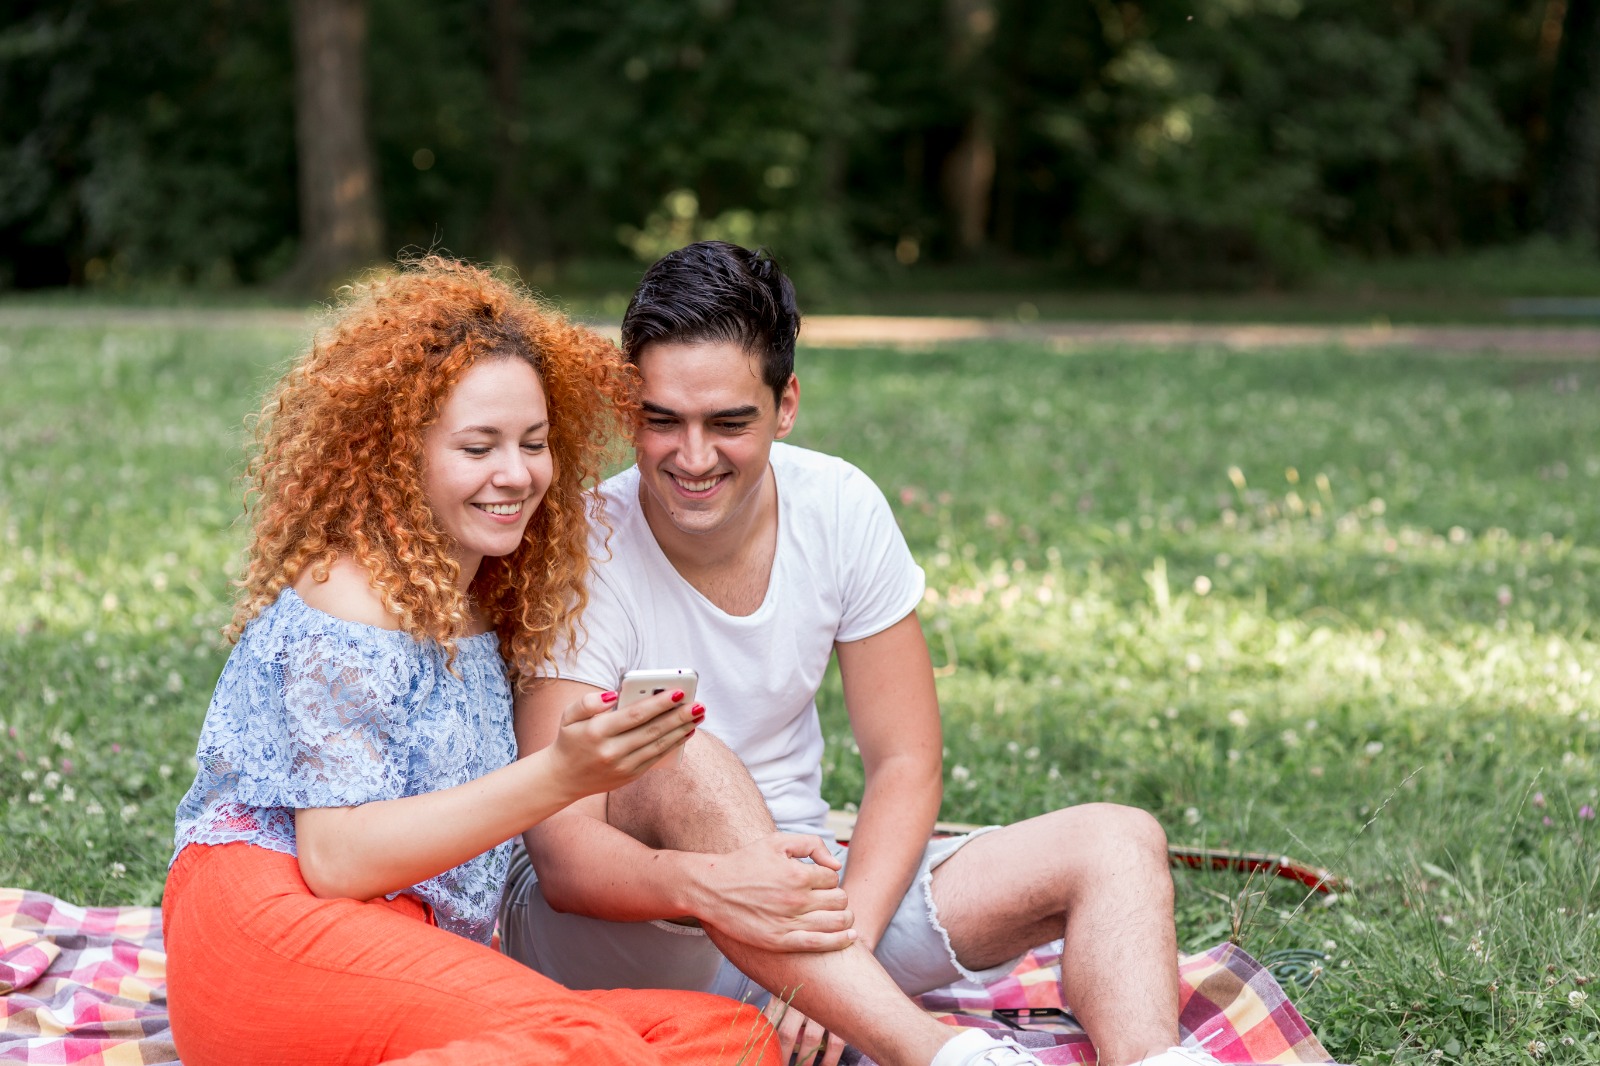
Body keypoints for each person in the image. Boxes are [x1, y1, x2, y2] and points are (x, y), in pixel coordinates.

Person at [497, 241, 1223, 1066]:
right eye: (662, 421)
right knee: (677, 748)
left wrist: (842, 961)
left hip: (819, 902)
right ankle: (939, 1054)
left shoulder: (839, 506)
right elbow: (564, 859)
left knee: (1118, 840)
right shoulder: (581, 546)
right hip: (634, 928)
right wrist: (736, 895)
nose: (692, 457)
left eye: (729, 423)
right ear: (630, 408)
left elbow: (907, 762)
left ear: (786, 405)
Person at [163, 257, 779, 1066]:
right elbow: (336, 859)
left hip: (406, 943)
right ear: (398, 453)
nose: (515, 474)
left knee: (732, 1036)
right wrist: (560, 774)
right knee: (587, 1043)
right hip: (270, 928)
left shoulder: (488, 595)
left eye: (534, 443)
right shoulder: (351, 592)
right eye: (478, 446)